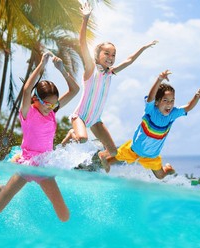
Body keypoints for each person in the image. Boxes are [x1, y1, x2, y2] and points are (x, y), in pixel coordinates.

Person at [61, 1, 158, 161]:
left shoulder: (110, 73)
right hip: (80, 116)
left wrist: (143, 48)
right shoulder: (91, 69)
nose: (111, 58)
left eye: (113, 55)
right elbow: (82, 43)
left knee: (113, 152)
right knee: (83, 138)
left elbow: (129, 60)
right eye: (107, 53)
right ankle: (72, 133)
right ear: (97, 54)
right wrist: (85, 19)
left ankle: (100, 157)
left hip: (95, 120)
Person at [0, 52, 80, 222]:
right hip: (25, 165)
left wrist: (62, 69)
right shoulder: (28, 113)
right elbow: (25, 89)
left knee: (64, 215)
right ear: (35, 99)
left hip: (43, 166)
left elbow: (75, 90)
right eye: (47, 104)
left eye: (54, 104)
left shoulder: (52, 112)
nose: (51, 107)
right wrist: (42, 64)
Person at [99, 70, 200, 179]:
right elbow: (150, 97)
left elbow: (188, 107)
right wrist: (159, 79)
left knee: (160, 176)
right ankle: (103, 158)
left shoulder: (172, 114)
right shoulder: (151, 110)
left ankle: (167, 168)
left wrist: (196, 97)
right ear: (157, 102)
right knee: (116, 158)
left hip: (152, 155)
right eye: (165, 100)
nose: (169, 104)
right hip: (134, 148)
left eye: (172, 100)